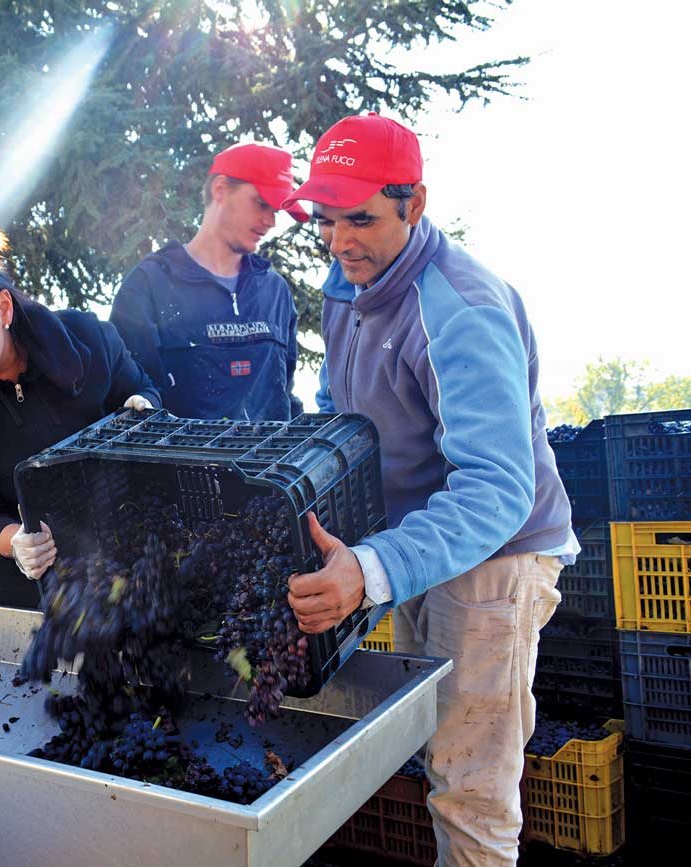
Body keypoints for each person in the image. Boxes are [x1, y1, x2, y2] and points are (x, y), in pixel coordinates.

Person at [281, 113, 577, 866]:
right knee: (437, 750)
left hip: (495, 556)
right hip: (418, 543)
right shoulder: (348, 283)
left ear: (415, 204)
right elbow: (341, 410)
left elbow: (497, 488)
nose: (340, 239)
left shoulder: (461, 310)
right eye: (326, 219)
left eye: (362, 218)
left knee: (470, 785)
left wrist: (373, 568)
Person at [0, 224, 160, 608]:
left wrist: (144, 407)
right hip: (34, 590)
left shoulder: (87, 337)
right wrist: (16, 542)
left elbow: (143, 392)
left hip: (126, 561)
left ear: (5, 308)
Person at [110, 142, 307, 421]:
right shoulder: (148, 286)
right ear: (220, 190)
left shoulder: (276, 291)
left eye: (276, 210)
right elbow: (130, 395)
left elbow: (283, 391)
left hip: (268, 463)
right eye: (262, 204)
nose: (271, 221)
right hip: (177, 463)